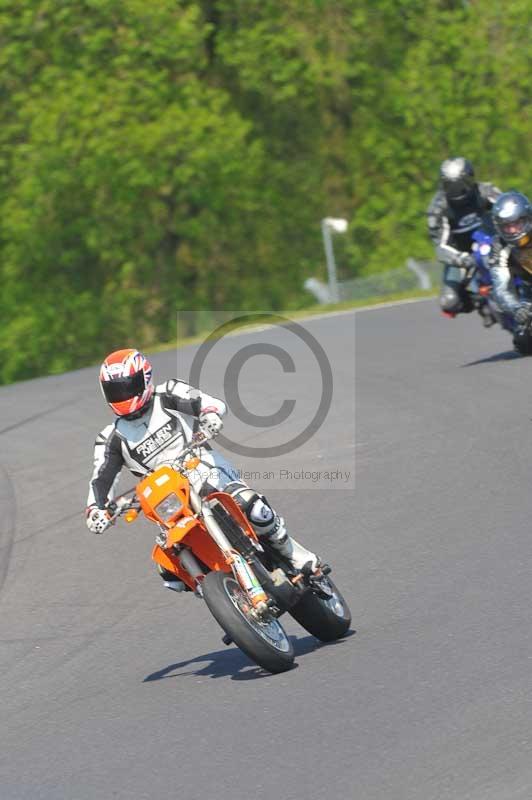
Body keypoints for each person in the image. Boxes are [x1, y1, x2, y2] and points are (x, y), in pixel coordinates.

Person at [86, 348, 319, 590]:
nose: (122, 395)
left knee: (252, 507)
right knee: (170, 571)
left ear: (144, 379)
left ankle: (295, 555)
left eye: (127, 387)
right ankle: (220, 592)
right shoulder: (110, 438)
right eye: (115, 390)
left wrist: (210, 414)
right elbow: (100, 478)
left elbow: (207, 402)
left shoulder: (169, 392)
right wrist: (96, 509)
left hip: (204, 469)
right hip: (167, 498)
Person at [427, 157, 501, 322]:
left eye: (461, 184)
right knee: (449, 301)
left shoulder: (486, 191)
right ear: (443, 185)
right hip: (461, 256)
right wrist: (461, 259)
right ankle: (481, 302)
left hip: (493, 242)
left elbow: (509, 210)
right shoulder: (437, 209)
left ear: (471, 178)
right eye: (451, 186)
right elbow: (440, 247)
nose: (457, 190)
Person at [488, 191, 532, 354]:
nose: (512, 230)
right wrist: (516, 309)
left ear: (527, 218)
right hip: (529, 292)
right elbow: (501, 289)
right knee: (523, 341)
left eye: (516, 224)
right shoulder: (499, 246)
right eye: (506, 226)